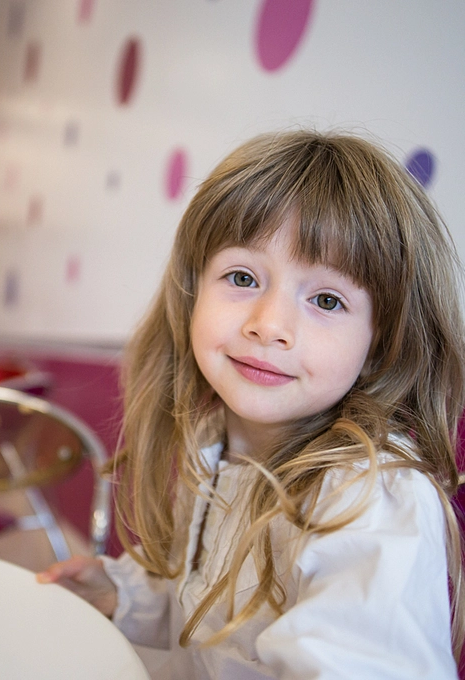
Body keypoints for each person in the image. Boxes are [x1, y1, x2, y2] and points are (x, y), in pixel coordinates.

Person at [37, 130, 465, 679]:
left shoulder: (369, 496)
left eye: (326, 300)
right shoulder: (216, 442)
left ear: (381, 345)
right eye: (243, 277)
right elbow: (203, 607)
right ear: (193, 292)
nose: (269, 325)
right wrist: (125, 596)